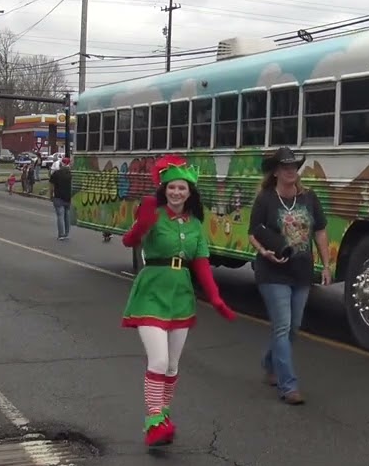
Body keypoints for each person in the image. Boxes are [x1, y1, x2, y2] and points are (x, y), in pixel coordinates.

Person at [120, 155, 236, 447]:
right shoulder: (152, 212)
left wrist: (216, 298)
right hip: (151, 292)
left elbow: (201, 264)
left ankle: (164, 415)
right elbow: (129, 241)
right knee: (157, 360)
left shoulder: (196, 224)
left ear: (190, 192)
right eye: (172, 187)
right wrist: (142, 222)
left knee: (172, 366)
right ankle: (154, 421)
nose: (176, 193)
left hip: (181, 294)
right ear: (164, 189)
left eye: (182, 188)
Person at [247, 146, 331, 406]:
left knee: (293, 327)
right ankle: (288, 385)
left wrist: (326, 265)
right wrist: (265, 252)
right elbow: (253, 232)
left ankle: (269, 362)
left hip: (302, 271)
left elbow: (320, 231)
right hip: (272, 272)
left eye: (294, 167)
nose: (290, 171)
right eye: (285, 167)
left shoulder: (309, 198)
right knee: (282, 326)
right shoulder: (266, 199)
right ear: (275, 172)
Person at [49, 157, 73, 240]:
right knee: (67, 216)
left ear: (61, 164)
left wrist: (50, 195)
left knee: (60, 216)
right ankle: (67, 233)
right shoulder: (71, 174)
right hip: (68, 197)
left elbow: (51, 186)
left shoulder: (56, 173)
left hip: (58, 197)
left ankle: (61, 234)